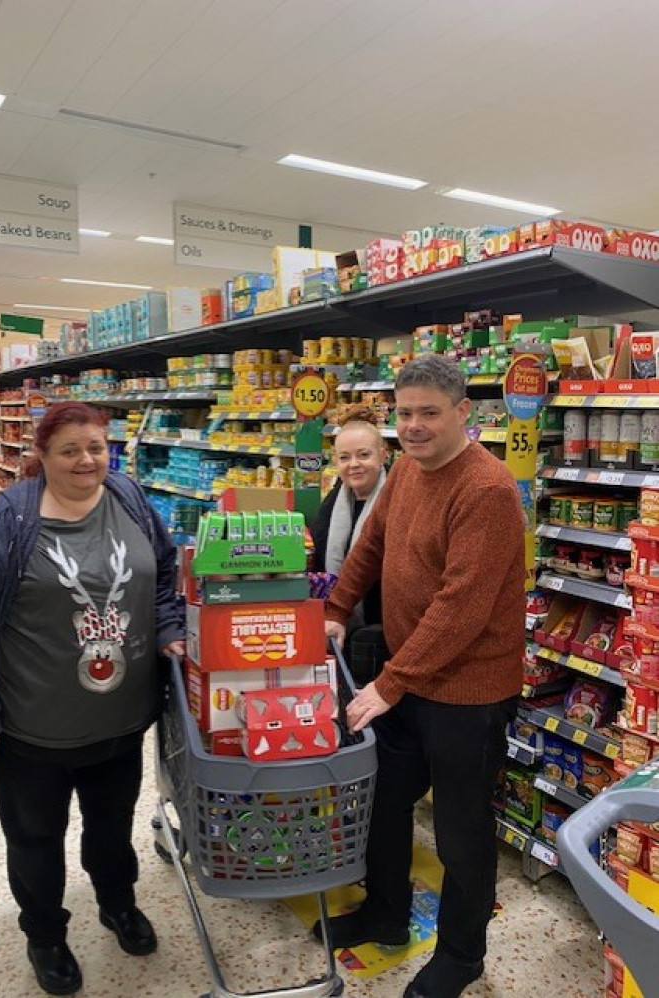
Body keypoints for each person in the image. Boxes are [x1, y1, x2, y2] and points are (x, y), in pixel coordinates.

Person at [0, 401, 185, 997]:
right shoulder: (6, 523)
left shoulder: (128, 499)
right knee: (35, 841)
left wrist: (171, 630)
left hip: (120, 720)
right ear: (42, 455)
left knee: (111, 829)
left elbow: (166, 574)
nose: (86, 459)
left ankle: (118, 905)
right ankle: (45, 934)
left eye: (96, 447)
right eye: (70, 449)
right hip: (32, 730)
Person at [315, 355, 524, 998]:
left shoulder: (486, 490)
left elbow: (460, 608)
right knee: (385, 801)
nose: (414, 426)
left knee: (462, 832)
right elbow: (371, 544)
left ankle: (462, 956)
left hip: (469, 693)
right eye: (404, 414)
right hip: (410, 679)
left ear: (464, 413)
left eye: (429, 413)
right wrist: (336, 610)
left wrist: (388, 683)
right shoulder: (405, 471)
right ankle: (386, 914)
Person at [309, 405, 388, 631]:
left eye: (364, 455)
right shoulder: (330, 507)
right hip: (334, 625)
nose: (354, 464)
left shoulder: (398, 500)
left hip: (382, 628)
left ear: (382, 455)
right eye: (345, 457)